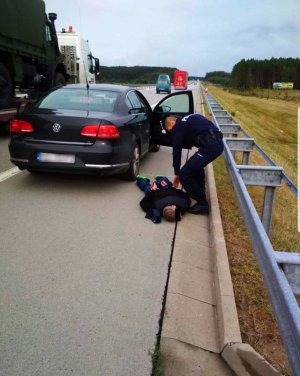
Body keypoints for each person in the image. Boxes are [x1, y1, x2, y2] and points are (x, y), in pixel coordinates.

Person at [165, 114, 224, 215]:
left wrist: (177, 173)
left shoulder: (178, 125)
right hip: (216, 143)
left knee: (184, 174)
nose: (172, 133)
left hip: (210, 146)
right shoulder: (190, 118)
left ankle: (202, 204)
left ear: (172, 123)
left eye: (170, 130)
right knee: (195, 168)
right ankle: (200, 191)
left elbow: (176, 150)